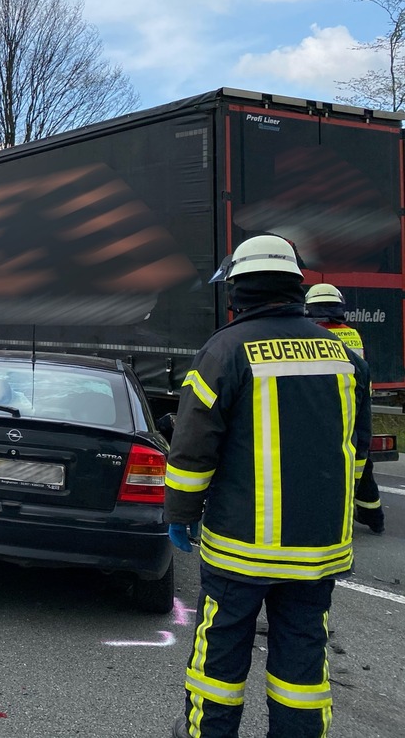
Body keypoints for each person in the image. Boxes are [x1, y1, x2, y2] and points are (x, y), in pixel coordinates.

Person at [165, 235, 371, 738]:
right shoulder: (345, 357)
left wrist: (181, 513)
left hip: (241, 547)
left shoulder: (224, 350)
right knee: (302, 660)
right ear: (295, 288)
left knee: (220, 657)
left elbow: (193, 451)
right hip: (318, 549)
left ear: (239, 291)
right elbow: (359, 452)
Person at [306, 282, 384, 534]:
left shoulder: (312, 336)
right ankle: (374, 516)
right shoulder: (352, 333)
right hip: (356, 403)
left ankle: (338, 513)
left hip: (327, 406)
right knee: (360, 459)